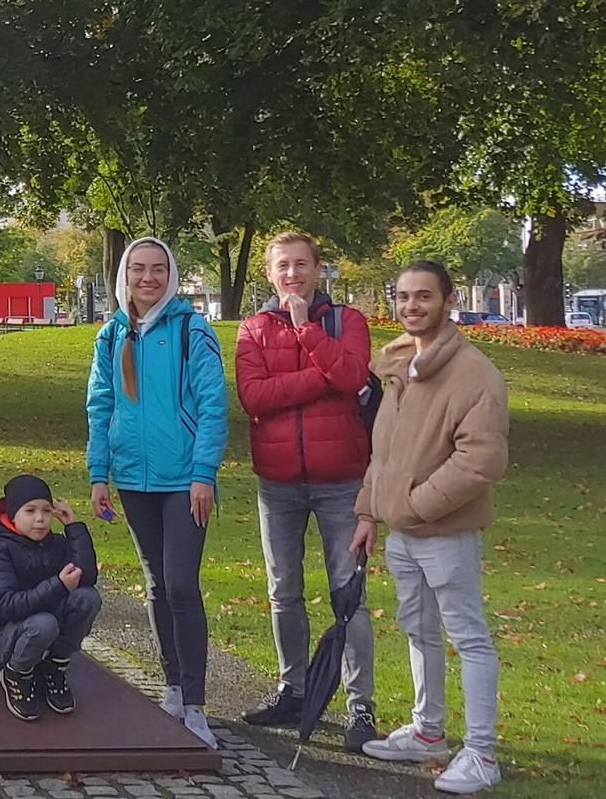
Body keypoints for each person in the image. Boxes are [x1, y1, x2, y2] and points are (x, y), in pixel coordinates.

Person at [351, 260, 510, 795]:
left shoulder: (475, 375)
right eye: (403, 296)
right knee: (419, 631)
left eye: (424, 296)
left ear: (448, 300)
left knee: (468, 638)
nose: (412, 306)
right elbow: (384, 451)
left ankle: (482, 753)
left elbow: (479, 463)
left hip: (444, 532)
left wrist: (413, 506)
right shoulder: (401, 365)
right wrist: (369, 512)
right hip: (401, 532)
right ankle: (428, 732)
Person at [234, 231, 381, 752]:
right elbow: (254, 395)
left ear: (318, 269)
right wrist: (324, 378)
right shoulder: (252, 327)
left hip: (341, 478)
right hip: (277, 482)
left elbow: (354, 373)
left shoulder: (348, 322)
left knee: (349, 595)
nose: (292, 274)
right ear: (269, 274)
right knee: (283, 591)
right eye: (282, 267)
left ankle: (360, 706)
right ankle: (292, 689)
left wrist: (307, 334)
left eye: (301, 265)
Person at [85, 235, 228, 749]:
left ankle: (196, 704)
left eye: (158, 270)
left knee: (182, 584)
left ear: (171, 276)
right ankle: (171, 688)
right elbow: (100, 406)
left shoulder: (192, 329)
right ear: (125, 276)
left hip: (183, 481)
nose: (148, 279)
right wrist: (99, 473)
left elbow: (213, 405)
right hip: (132, 479)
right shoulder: (111, 335)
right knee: (157, 585)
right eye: (138, 270)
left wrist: (203, 473)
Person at [0, 473, 102, 723]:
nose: (40, 519)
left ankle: (56, 664)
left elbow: (87, 577)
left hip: (44, 624)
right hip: (4, 634)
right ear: (12, 515)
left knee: (88, 597)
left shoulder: (55, 543)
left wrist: (74, 528)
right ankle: (17, 672)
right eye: (30, 511)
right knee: (43, 623)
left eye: (46, 510)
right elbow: (7, 605)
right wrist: (59, 586)